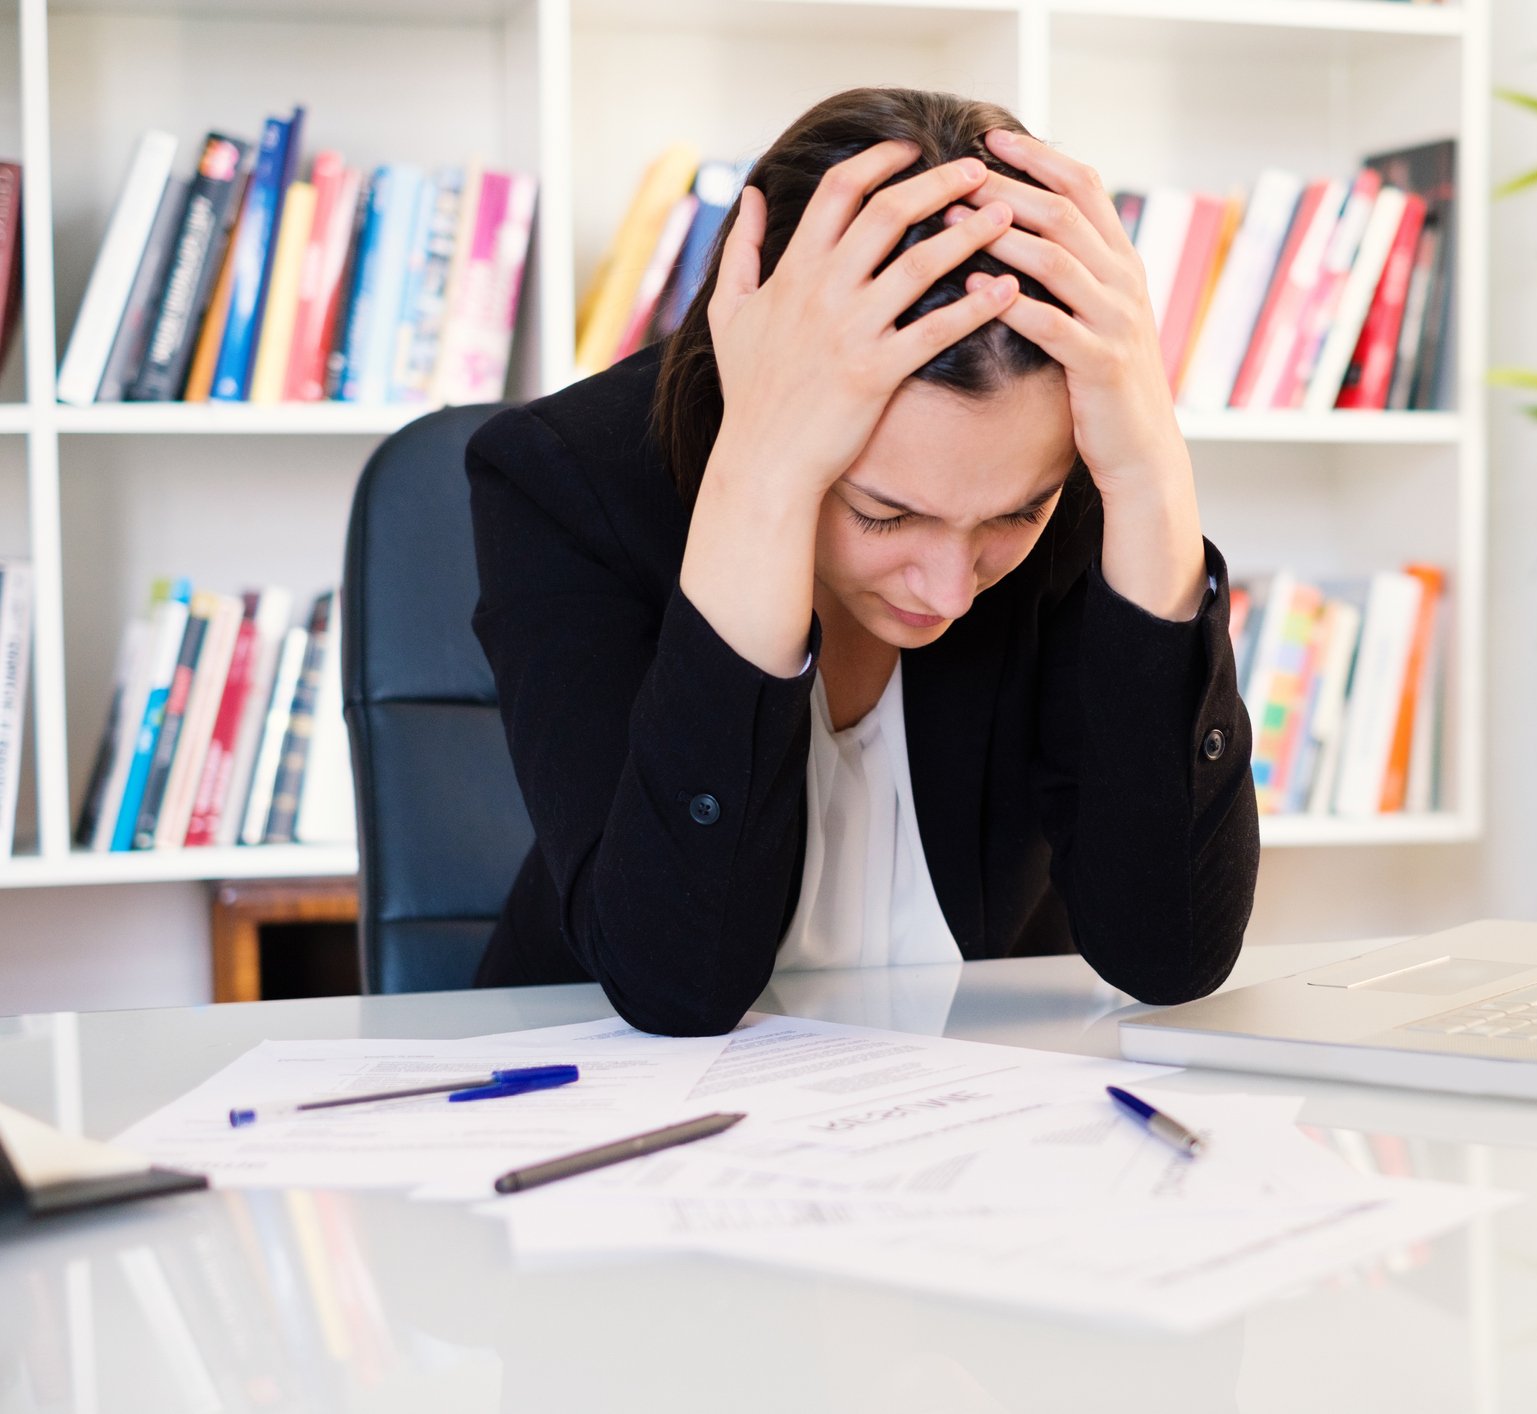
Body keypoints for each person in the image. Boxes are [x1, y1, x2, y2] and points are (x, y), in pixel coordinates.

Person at [465, 87, 1259, 1035]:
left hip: (966, 1111)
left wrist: (1149, 475)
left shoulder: (1070, 461)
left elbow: (1168, 952)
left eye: (1014, 515)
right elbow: (676, 984)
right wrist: (760, 477)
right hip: (614, 1114)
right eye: (884, 514)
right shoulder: (564, 482)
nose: (950, 588)